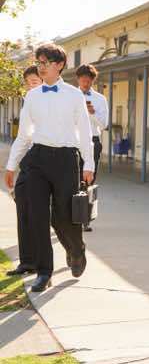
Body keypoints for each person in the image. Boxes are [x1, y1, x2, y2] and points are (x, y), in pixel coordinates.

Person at [4, 42, 94, 292]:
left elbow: (85, 132)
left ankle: (76, 249)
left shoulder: (74, 95)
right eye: (39, 63)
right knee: (38, 215)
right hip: (38, 159)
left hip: (66, 159)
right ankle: (44, 272)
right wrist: (11, 165)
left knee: (63, 217)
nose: (40, 67)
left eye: (45, 63)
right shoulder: (32, 97)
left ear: (59, 65)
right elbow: (24, 135)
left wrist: (89, 162)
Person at [6, 65, 42, 277]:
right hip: (30, 159)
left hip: (50, 158)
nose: (30, 86)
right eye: (28, 83)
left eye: (34, 81)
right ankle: (27, 261)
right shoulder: (28, 100)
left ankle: (42, 262)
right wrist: (11, 166)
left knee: (43, 214)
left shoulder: (56, 98)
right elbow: (23, 136)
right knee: (23, 203)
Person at [76, 63, 108, 231]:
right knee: (73, 178)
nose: (85, 83)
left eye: (88, 80)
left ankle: (85, 219)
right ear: (78, 79)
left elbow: (104, 125)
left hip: (94, 141)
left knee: (89, 179)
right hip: (74, 142)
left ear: (93, 80)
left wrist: (92, 113)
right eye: (83, 80)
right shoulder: (70, 96)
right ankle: (73, 217)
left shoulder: (100, 99)